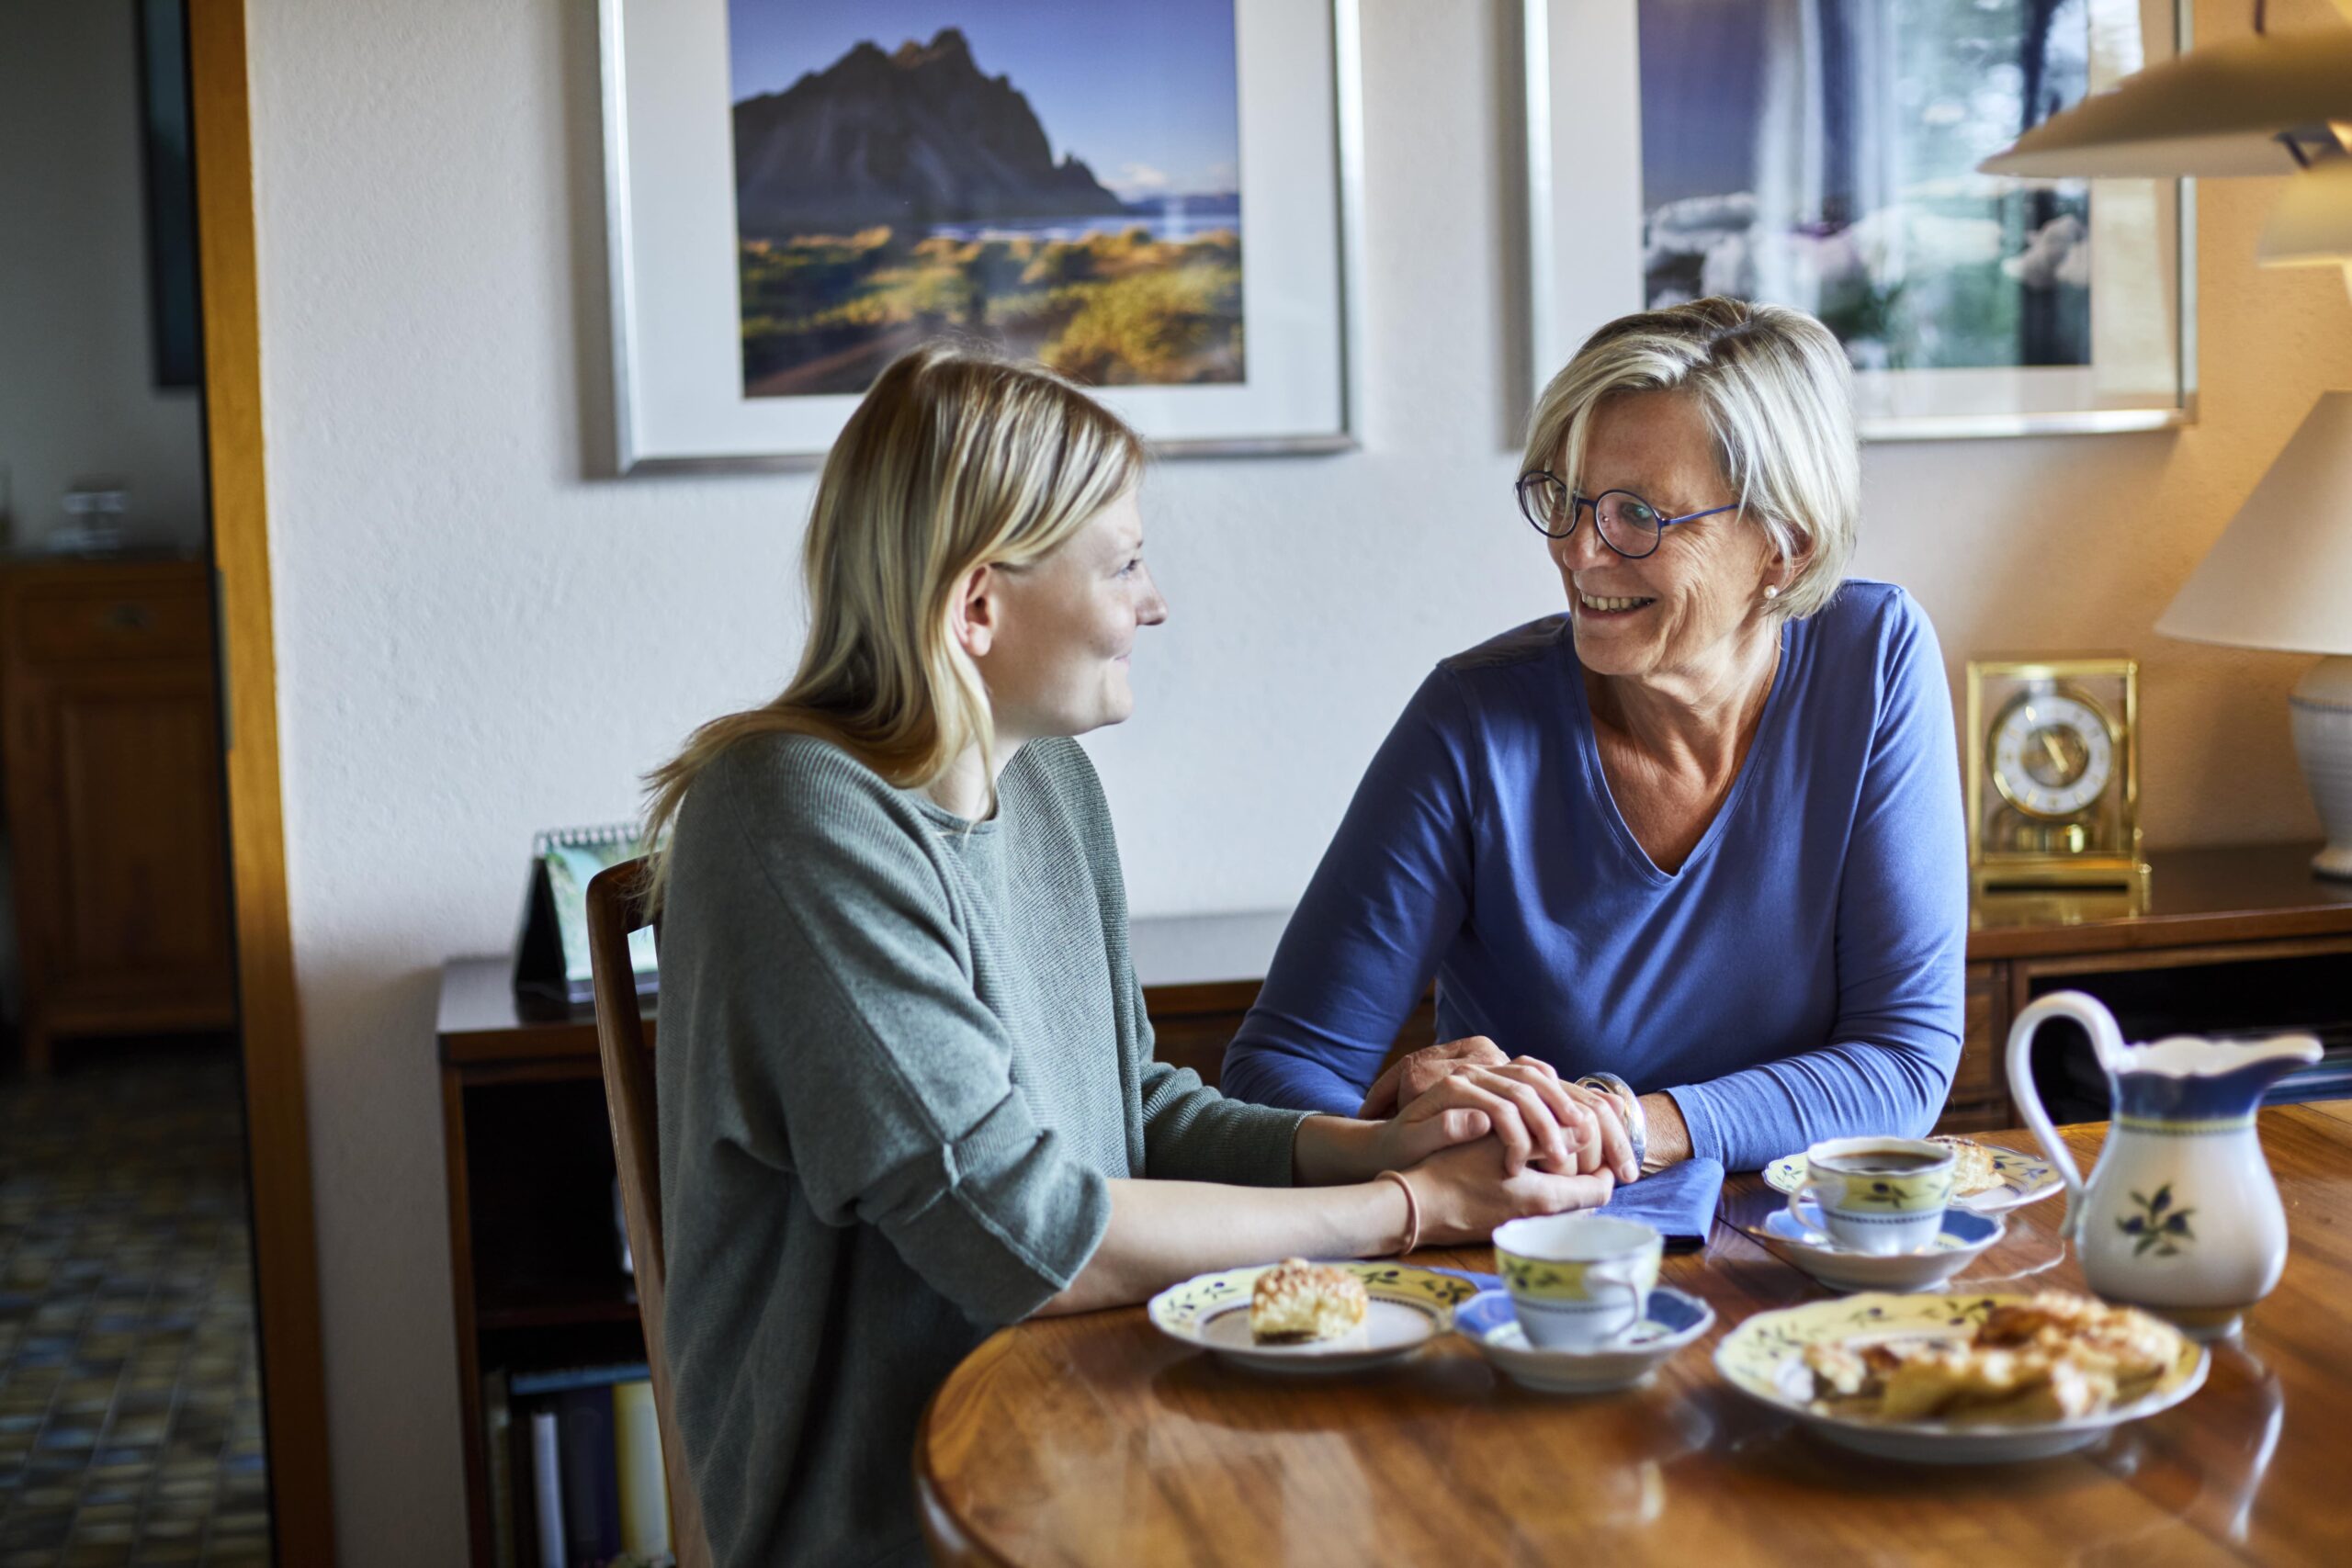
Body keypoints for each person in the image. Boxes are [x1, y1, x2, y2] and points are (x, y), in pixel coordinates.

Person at [641, 345, 1614, 1567]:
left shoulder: (1049, 783)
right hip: (894, 1519)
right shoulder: (791, 813)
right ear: (977, 604)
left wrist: (1382, 1145)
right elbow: (1021, 1236)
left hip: (1094, 1431)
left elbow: (1130, 1107)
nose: (1153, 603)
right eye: (1127, 562)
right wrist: (1410, 1208)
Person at [1220, 297, 1968, 1178]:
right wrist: (1398, 1128)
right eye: (1566, 502)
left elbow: (1903, 1059)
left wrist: (1628, 1125)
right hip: (1535, 1266)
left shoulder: (1874, 659)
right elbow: (1273, 1074)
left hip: (1791, 1248)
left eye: (1637, 517)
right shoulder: (1472, 721)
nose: (1579, 552)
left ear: (1783, 547)